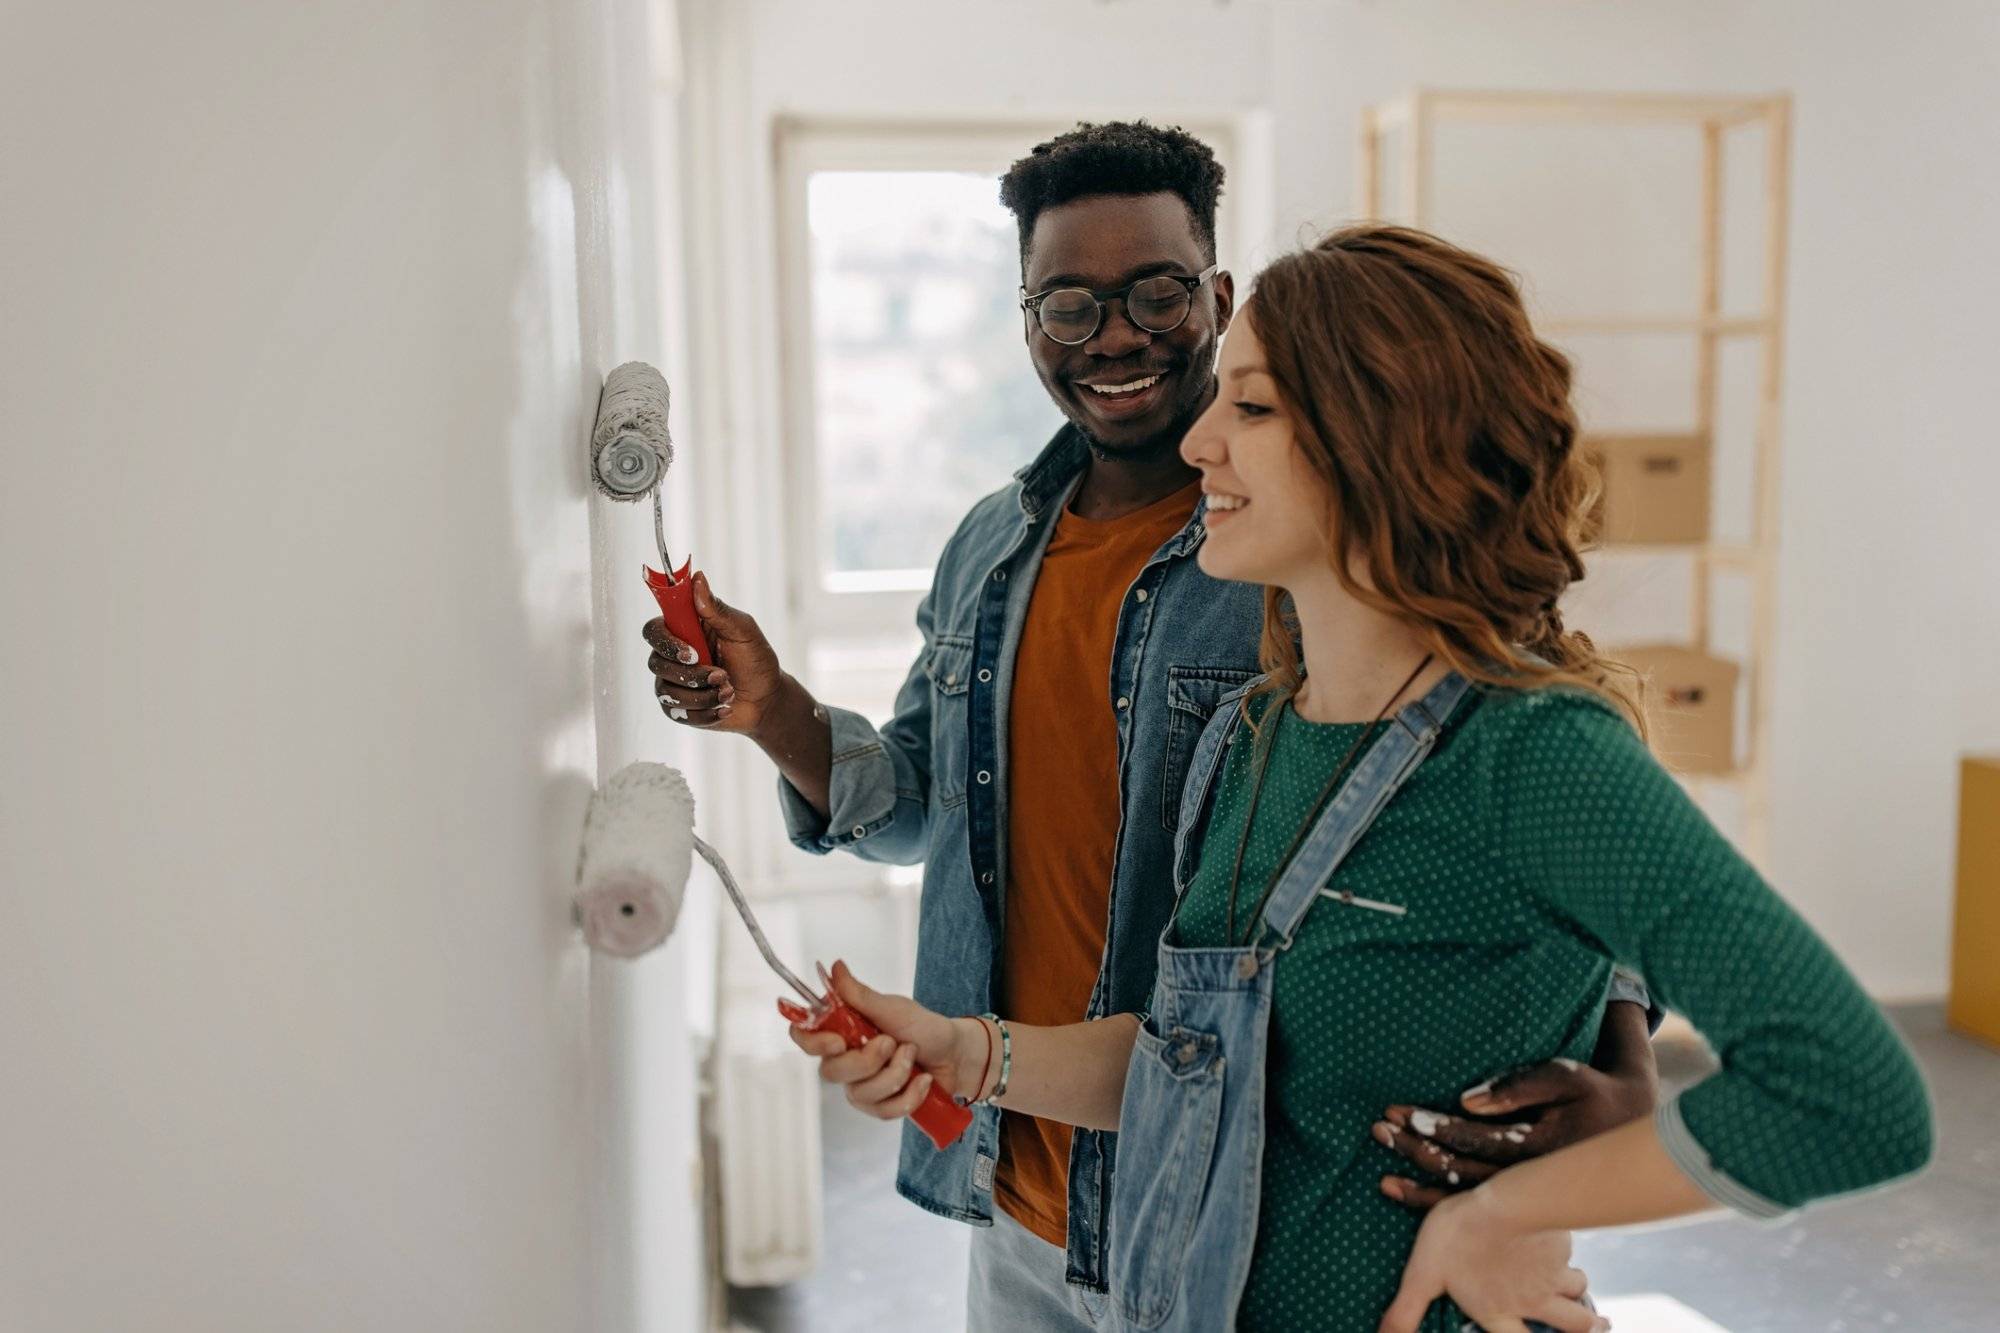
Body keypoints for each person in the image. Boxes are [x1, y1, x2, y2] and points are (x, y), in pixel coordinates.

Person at [790, 225, 1935, 1333]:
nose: (1199, 445)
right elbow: (1192, 1063)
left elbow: (1848, 1097)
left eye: (1251, 408)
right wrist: (969, 1052)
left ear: (1375, 441)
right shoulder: (1253, 735)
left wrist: (1505, 1213)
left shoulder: (1528, 752)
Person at [646, 125, 1657, 1328]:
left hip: (1230, 1203)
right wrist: (777, 715)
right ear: (1026, 320)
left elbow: (1528, 774)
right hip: (1016, 1183)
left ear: (1216, 297)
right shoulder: (989, 547)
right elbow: (919, 805)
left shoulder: (1291, 547)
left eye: (1157, 293)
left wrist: (1624, 1061)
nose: (1114, 335)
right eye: (1069, 303)